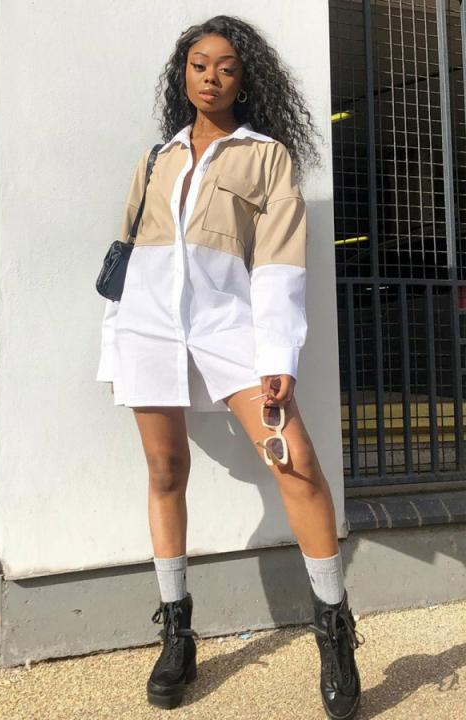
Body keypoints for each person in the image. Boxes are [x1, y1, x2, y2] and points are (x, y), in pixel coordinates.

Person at [96, 14, 365, 719]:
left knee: (295, 463)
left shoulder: (266, 157)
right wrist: (115, 341)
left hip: (230, 331)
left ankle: (334, 631)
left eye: (226, 67)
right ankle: (177, 634)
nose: (211, 77)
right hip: (148, 329)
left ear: (245, 80)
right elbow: (125, 258)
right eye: (198, 64)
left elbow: (278, 261)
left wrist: (277, 354)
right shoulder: (156, 158)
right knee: (165, 471)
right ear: (182, 75)